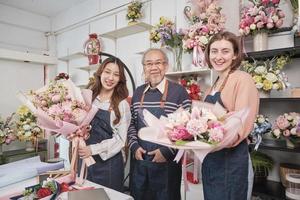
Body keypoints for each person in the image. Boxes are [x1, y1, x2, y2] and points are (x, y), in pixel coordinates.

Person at [127, 48, 191, 200]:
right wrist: (134, 147)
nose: (154, 67)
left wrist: (166, 152)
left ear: (166, 66)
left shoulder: (179, 92)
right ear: (144, 68)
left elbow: (187, 130)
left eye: (158, 63)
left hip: (167, 166)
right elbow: (132, 124)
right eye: (149, 63)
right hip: (140, 164)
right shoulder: (137, 93)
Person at [202, 31, 259, 200]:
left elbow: (239, 127)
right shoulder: (213, 84)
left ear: (235, 55)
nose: (218, 56)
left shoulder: (242, 79)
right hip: (211, 160)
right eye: (214, 51)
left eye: (225, 51)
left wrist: (208, 131)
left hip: (232, 162)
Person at [78, 57, 131, 192]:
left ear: (120, 79)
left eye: (116, 74)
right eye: (107, 72)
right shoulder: (88, 97)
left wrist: (92, 149)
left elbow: (120, 139)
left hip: (109, 165)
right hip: (84, 159)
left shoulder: (121, 104)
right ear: (100, 72)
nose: (111, 78)